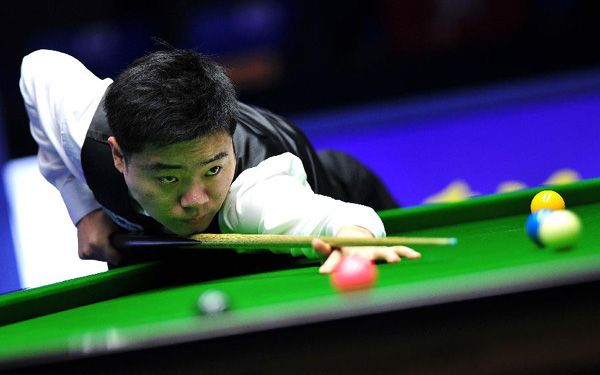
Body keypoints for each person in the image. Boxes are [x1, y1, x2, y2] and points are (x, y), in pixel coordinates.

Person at [19, 47, 421, 274]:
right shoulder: (82, 126)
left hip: (338, 181)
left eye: (213, 169)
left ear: (229, 143)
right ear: (119, 155)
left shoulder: (254, 193)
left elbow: (332, 218)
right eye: (168, 179)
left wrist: (356, 240)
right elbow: (36, 68)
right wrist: (84, 207)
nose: (196, 200)